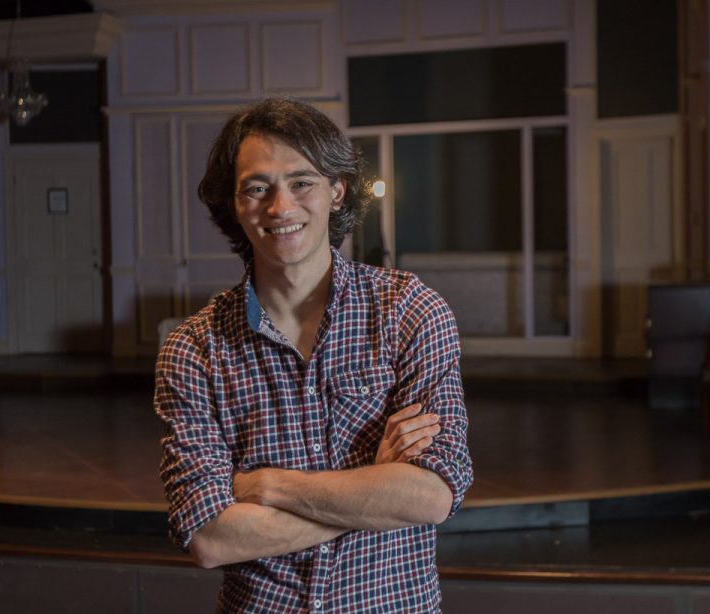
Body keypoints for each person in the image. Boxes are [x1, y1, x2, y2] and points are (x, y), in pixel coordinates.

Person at [154, 97, 473, 613]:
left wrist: (266, 485)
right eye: (257, 188)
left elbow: (431, 496)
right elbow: (212, 539)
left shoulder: (409, 311)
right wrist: (374, 484)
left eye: (302, 182)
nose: (280, 207)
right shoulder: (194, 349)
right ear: (235, 206)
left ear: (337, 191)